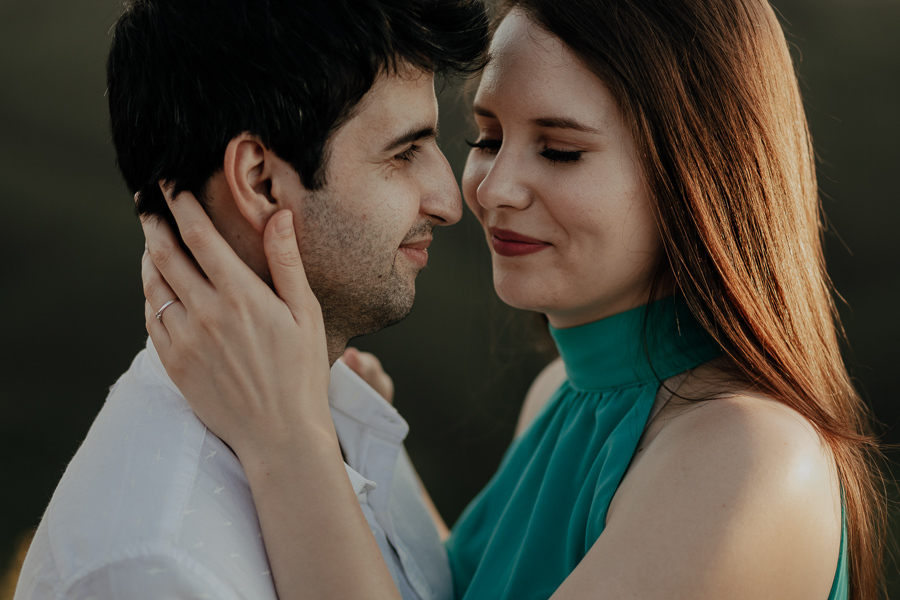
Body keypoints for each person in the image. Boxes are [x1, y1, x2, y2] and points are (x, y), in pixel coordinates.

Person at [139, 0, 887, 598]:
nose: (490, 191)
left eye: (560, 150)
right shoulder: (558, 395)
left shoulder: (749, 458)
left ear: (698, 173)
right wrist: (339, 438)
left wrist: (285, 440)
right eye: (488, 138)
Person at [14, 0, 488, 598]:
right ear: (261, 181)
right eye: (403, 152)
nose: (449, 200)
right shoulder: (156, 566)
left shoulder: (342, 402)